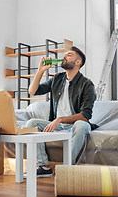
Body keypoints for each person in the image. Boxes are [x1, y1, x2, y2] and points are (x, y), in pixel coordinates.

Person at [26, 46, 98, 178]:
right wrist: (40, 71)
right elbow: (32, 91)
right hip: (58, 125)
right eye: (65, 55)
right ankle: (44, 167)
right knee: (31, 123)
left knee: (81, 125)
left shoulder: (87, 84)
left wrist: (59, 119)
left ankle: (67, 168)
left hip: (75, 124)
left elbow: (85, 116)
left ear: (78, 62)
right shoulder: (57, 79)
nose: (64, 56)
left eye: (69, 55)